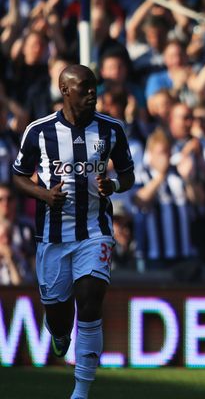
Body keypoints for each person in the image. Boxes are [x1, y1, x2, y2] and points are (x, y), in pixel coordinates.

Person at [12, 64, 135, 399]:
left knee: (91, 301)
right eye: (85, 87)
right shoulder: (39, 131)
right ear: (65, 90)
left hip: (95, 231)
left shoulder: (111, 129)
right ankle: (59, 332)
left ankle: (81, 391)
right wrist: (43, 194)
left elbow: (128, 174)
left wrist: (114, 185)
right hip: (52, 237)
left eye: (95, 86)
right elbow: (18, 175)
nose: (93, 93)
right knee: (59, 315)